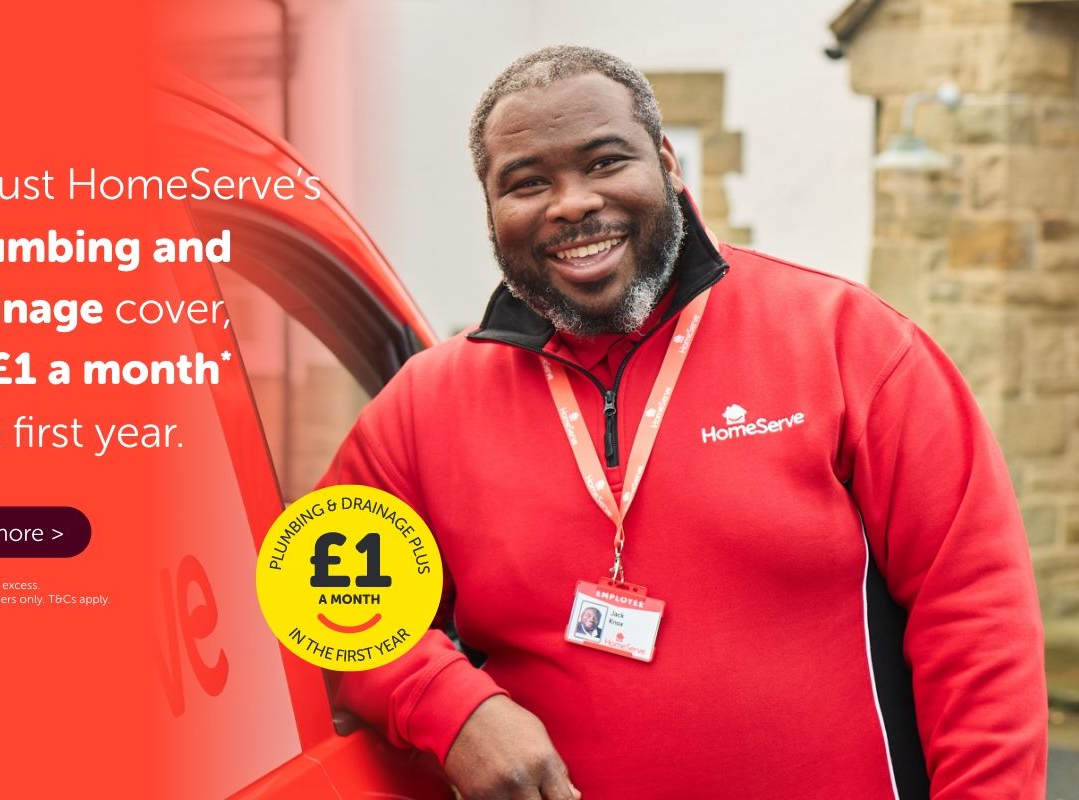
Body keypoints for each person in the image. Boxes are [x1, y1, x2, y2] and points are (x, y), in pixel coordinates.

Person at [319, 46, 1047, 799]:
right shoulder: (423, 405)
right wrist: (452, 708)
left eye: (604, 162)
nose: (570, 203)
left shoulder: (848, 342)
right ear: (492, 209)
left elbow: (976, 620)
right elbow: (323, 597)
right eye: (528, 182)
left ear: (666, 162)